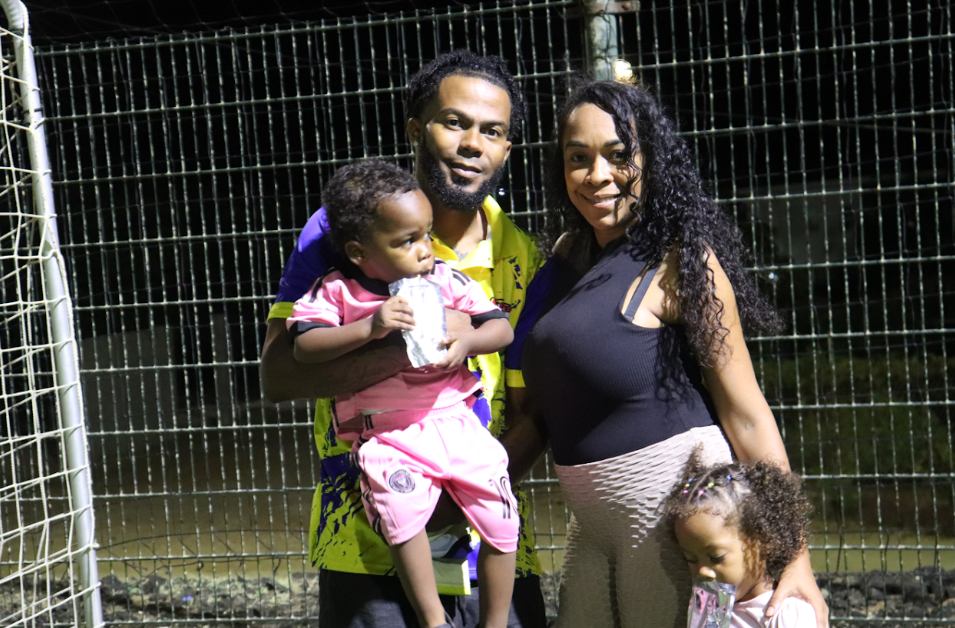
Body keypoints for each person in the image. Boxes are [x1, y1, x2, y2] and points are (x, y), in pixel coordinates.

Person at [511, 77, 829, 628]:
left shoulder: (681, 261)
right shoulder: (567, 254)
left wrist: (795, 555)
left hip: (672, 518)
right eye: (578, 157)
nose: (597, 175)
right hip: (590, 521)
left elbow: (746, 414)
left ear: (650, 160)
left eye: (618, 155)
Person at [259, 50, 546, 628]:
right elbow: (279, 375)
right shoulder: (341, 230)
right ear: (416, 129)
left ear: (506, 150)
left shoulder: (523, 256)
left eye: (492, 131)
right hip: (367, 544)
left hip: (490, 538)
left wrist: (459, 495)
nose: (473, 144)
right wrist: (410, 346)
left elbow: (534, 410)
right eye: (454, 122)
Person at [287, 159, 518, 628]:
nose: (425, 249)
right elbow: (304, 346)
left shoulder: (444, 279)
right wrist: (368, 327)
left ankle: (494, 621)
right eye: (407, 240)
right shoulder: (338, 291)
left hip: (455, 420)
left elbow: (501, 328)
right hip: (388, 433)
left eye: (426, 234)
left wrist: (468, 342)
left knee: (500, 515)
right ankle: (433, 620)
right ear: (358, 251)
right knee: (401, 512)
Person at [662, 454, 816, 628]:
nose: (702, 571)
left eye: (715, 557)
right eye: (691, 559)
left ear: (764, 542)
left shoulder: (786, 614)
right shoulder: (709, 610)